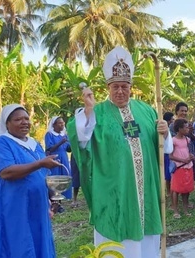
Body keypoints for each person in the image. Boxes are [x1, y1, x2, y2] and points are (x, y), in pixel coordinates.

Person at [66, 46, 173, 258]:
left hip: (147, 192)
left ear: (131, 86)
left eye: (125, 86)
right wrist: (88, 111)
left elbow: (164, 148)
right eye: (115, 86)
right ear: (108, 86)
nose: (120, 91)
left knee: (146, 245)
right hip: (115, 191)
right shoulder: (97, 112)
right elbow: (80, 140)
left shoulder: (146, 110)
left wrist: (165, 132)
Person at [0, 104, 58, 257]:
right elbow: (6, 172)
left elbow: (42, 174)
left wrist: (50, 199)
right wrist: (40, 163)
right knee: (19, 241)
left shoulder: (34, 144)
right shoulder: (1, 144)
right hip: (15, 204)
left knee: (38, 238)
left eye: (26, 118)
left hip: (37, 203)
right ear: (7, 123)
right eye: (18, 119)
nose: (24, 122)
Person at [45, 115, 72, 212]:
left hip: (64, 158)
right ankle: (54, 203)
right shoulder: (49, 135)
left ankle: (60, 203)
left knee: (63, 180)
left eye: (63, 123)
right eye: (60, 123)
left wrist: (74, 143)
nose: (62, 125)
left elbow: (68, 149)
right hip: (54, 159)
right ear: (54, 125)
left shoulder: (64, 135)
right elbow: (49, 149)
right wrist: (61, 142)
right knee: (55, 181)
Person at [170, 119, 195, 219]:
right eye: (185, 127)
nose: (187, 128)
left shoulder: (187, 139)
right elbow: (170, 156)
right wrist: (183, 160)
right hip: (178, 167)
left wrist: (190, 156)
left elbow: (187, 150)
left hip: (188, 166)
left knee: (186, 189)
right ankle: (175, 210)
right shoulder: (173, 140)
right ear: (179, 129)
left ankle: (185, 210)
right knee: (176, 189)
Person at [70, 108, 84, 208]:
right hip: (76, 155)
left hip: (88, 155)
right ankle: (74, 199)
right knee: (76, 177)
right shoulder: (73, 128)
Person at [163, 112, 175, 197]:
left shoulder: (169, 127)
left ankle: (171, 189)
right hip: (165, 154)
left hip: (170, 153)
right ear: (169, 120)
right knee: (168, 174)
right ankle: (168, 191)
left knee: (170, 173)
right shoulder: (164, 128)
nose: (173, 120)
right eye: (172, 119)